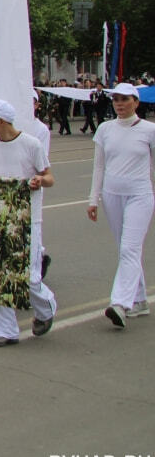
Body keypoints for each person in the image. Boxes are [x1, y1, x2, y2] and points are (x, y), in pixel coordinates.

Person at [0, 99, 56, 347]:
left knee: (28, 277)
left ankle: (46, 309)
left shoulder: (31, 144)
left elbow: (49, 176)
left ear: (2, 121)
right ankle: (5, 331)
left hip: (28, 218)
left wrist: (39, 181)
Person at [86, 82, 154, 329]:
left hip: (140, 195)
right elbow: (99, 166)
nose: (120, 104)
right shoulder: (105, 129)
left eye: (125, 99)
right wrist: (93, 199)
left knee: (129, 248)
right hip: (112, 195)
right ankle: (139, 300)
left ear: (136, 102)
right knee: (125, 249)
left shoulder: (149, 130)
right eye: (116, 100)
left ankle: (120, 303)